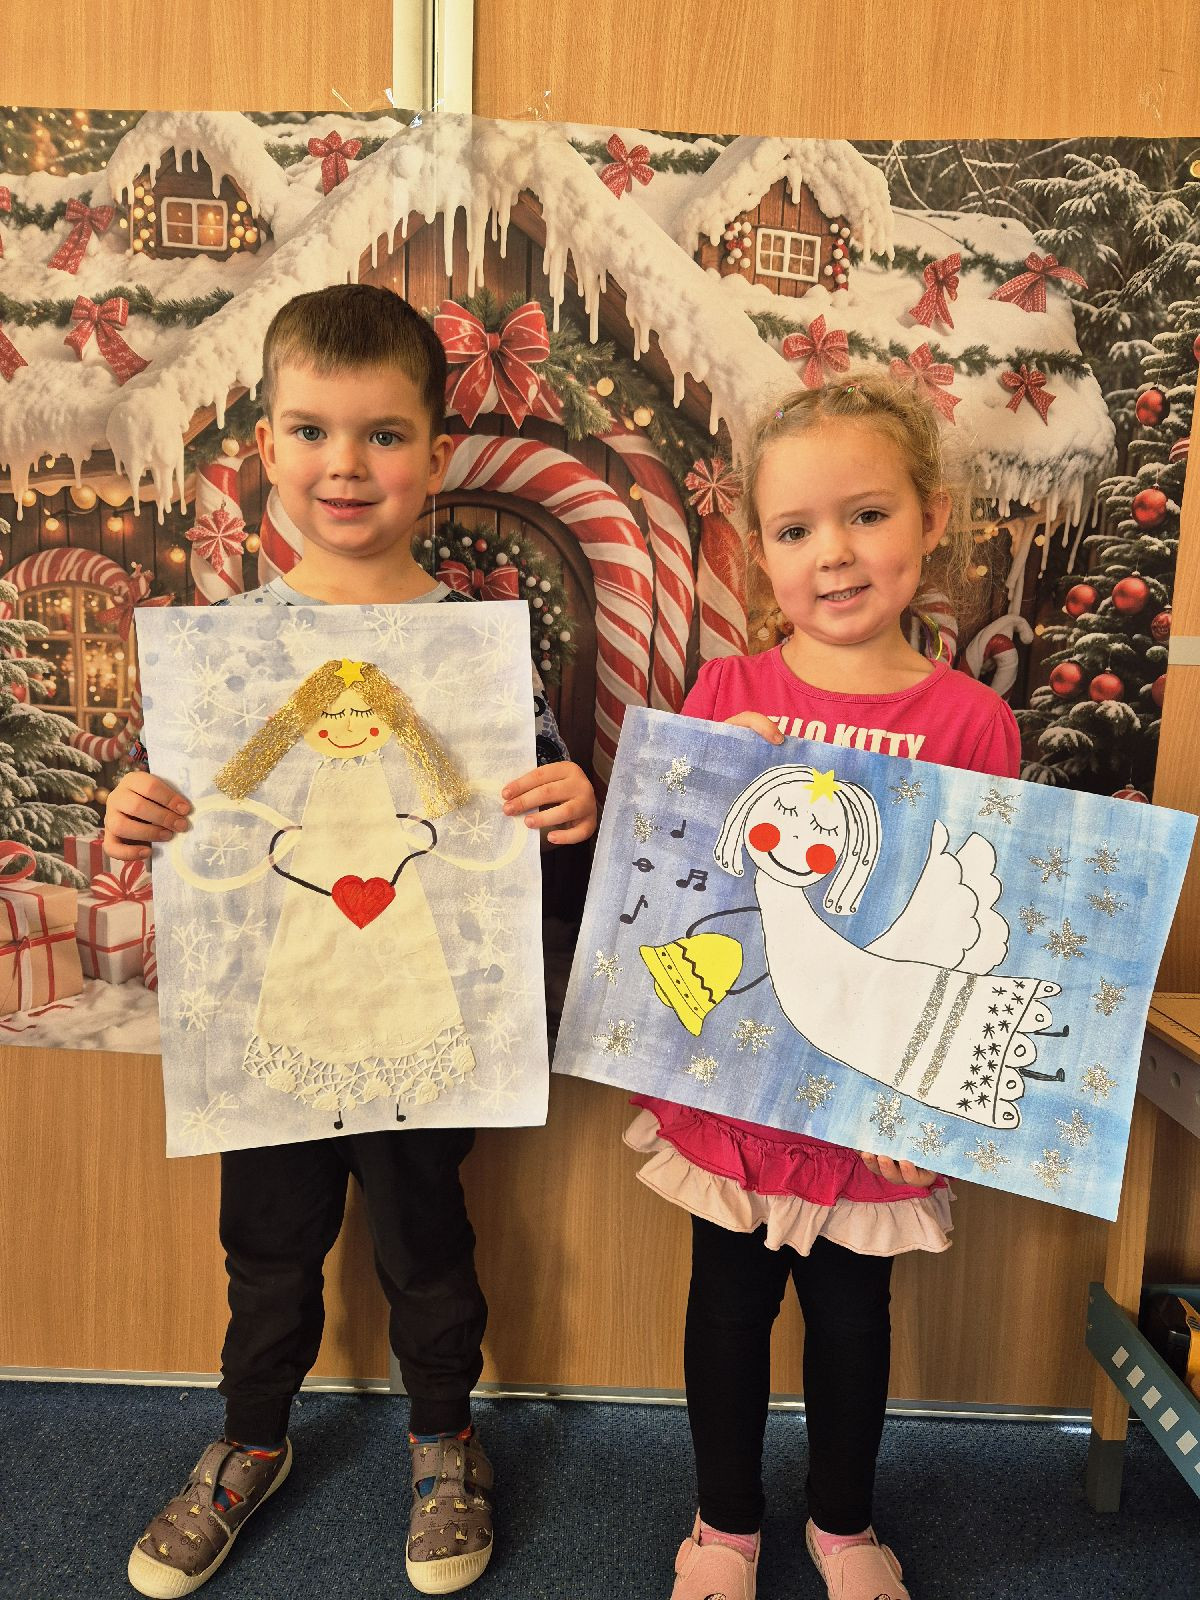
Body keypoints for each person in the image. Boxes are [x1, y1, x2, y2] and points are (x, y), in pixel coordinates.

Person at [105, 282, 597, 1599]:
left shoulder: (476, 655)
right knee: (266, 1247)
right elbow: (204, 808)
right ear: (267, 446)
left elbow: (505, 813)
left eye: (382, 434)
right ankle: (249, 1441)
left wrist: (571, 798)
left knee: (426, 1240)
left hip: (415, 999)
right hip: (282, 999)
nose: (345, 464)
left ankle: (446, 1440)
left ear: (433, 455)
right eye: (314, 431)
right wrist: (139, 807)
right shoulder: (224, 653)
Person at [626, 372, 1020, 1600]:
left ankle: (842, 1523)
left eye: (867, 515)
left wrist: (929, 1105)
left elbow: (983, 933)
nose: (833, 553)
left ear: (930, 519)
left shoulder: (972, 721)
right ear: (760, 551)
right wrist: (701, 777)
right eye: (796, 529)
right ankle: (725, 1524)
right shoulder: (726, 696)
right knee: (727, 1306)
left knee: (854, 1318)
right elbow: (674, 889)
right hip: (738, 1096)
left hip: (873, 1105)